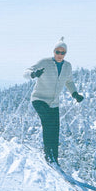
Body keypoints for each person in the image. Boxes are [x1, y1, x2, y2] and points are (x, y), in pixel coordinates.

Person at [24, 37, 84, 165]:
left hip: (54, 103)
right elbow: (26, 72)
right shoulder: (44, 62)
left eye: (63, 53)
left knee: (55, 129)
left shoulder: (67, 66)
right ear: (53, 51)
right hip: (39, 99)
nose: (60, 55)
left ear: (65, 54)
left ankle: (54, 159)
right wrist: (34, 74)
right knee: (48, 123)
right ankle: (48, 155)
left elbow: (69, 81)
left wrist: (75, 94)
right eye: (58, 52)